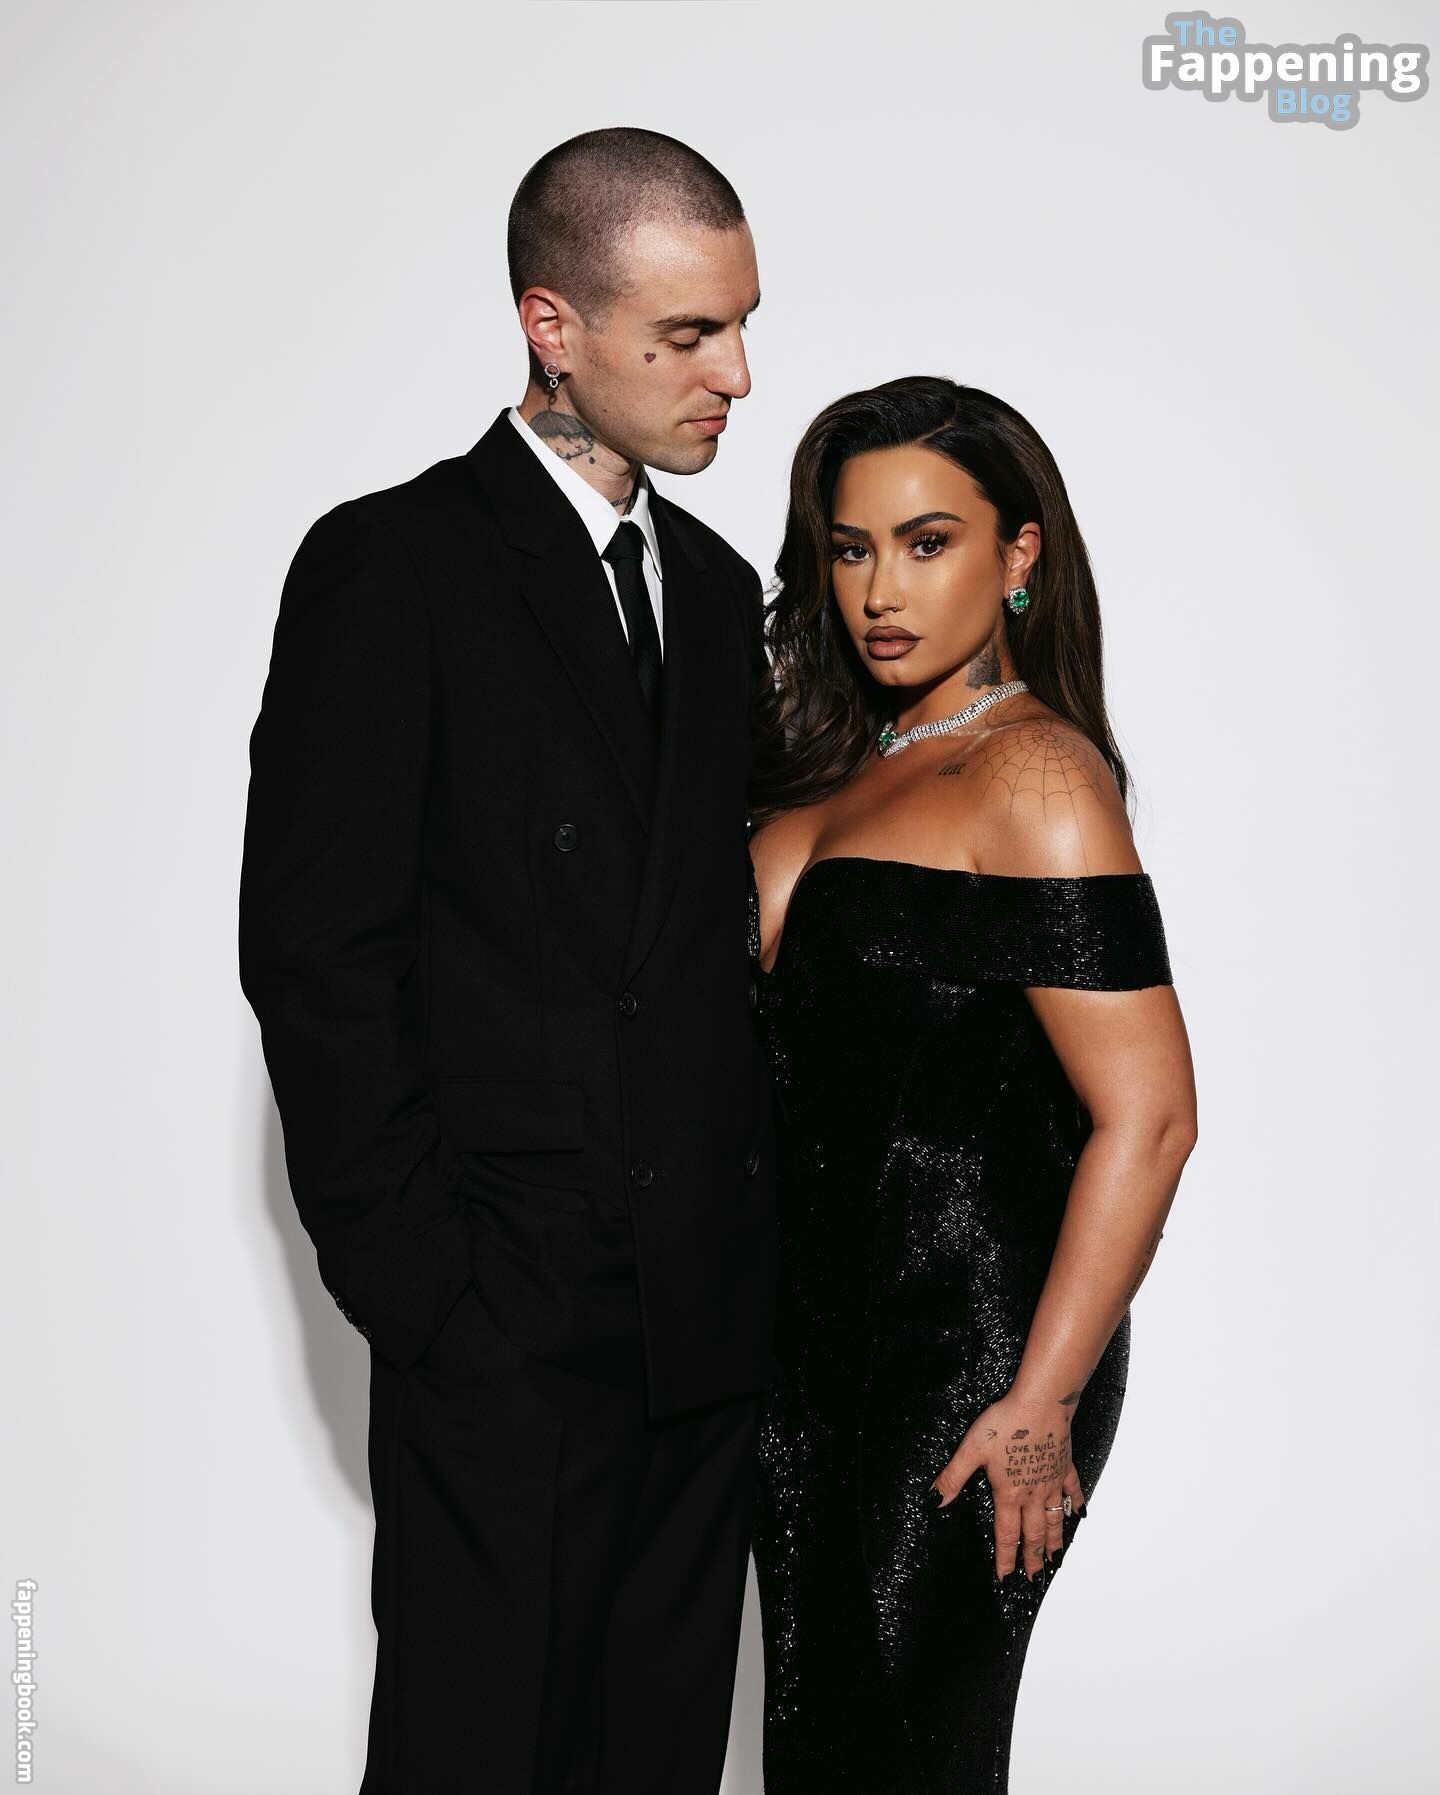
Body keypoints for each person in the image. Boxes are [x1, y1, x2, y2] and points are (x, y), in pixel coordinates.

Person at [238, 127, 775, 1795]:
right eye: (687, 334)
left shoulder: (718, 587)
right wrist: (431, 1293)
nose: (736, 376)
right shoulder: (392, 565)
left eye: (741, 325)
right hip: (504, 1317)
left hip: (699, 1319)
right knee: (474, 1753)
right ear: (554, 326)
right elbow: (317, 953)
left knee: (659, 1757)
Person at [746, 376, 1199, 1791]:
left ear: (1019, 555)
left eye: (928, 542)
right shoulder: (817, 765)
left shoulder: (1037, 778)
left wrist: (1042, 1400)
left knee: (904, 1748)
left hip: (967, 1359)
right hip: (798, 1353)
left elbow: (1151, 1116)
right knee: (817, 1745)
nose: (881, 591)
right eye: (851, 547)